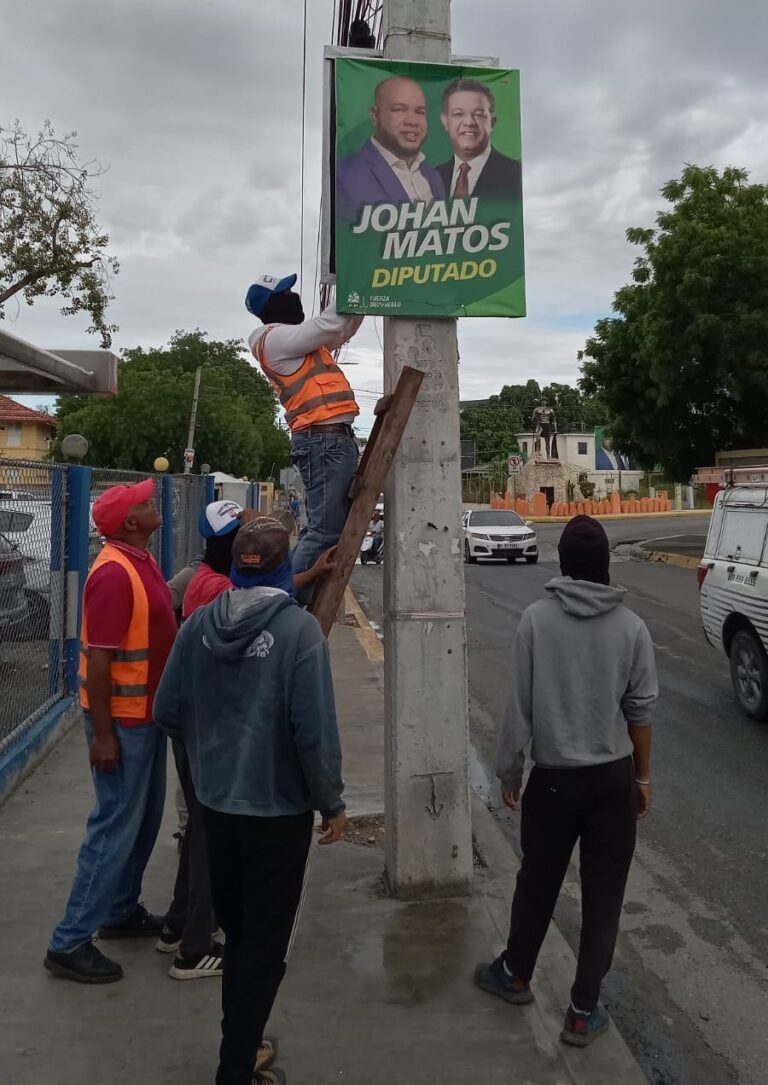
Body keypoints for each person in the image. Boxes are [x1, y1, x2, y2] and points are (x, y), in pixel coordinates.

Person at [153, 517, 347, 1085]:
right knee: (265, 946)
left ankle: (240, 1046)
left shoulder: (198, 625)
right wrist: (331, 802)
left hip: (215, 809)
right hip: (278, 816)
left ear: (235, 564)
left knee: (238, 936)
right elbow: (314, 732)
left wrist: (216, 745)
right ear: (287, 566)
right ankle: (235, 1068)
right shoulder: (298, 633)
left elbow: (168, 713)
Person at [475, 516, 658, 1047]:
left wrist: (510, 771)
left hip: (553, 783)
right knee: (604, 896)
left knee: (537, 882)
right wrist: (641, 778)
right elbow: (641, 711)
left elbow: (518, 709)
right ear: (603, 566)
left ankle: (515, 974)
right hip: (611, 781)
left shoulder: (535, 621)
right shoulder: (632, 628)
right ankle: (582, 1011)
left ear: (565, 565)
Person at [44, 480, 176, 984]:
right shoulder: (114, 575)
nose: (152, 503)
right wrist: (103, 735)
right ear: (130, 523)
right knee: (115, 825)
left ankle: (120, 911)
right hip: (121, 722)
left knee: (143, 822)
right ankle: (69, 940)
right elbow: (99, 658)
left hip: (146, 715)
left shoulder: (139, 560)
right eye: (145, 503)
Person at [247, 273, 362, 605]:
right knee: (324, 533)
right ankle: (282, 605)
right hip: (322, 442)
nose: (294, 297)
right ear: (272, 305)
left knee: (323, 531)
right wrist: (356, 276)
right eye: (287, 293)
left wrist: (364, 297)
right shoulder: (275, 339)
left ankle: (287, 599)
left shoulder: (293, 341)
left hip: (328, 441)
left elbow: (342, 328)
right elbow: (330, 323)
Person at [336, 75, 446, 222]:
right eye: (399, 109)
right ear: (375, 116)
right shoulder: (343, 175)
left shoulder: (433, 178)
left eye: (420, 112)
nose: (412, 121)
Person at [436, 78, 522, 200]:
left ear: (492, 122)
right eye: (458, 114)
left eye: (478, 114)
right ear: (445, 122)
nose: (469, 122)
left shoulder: (516, 174)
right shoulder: (431, 179)